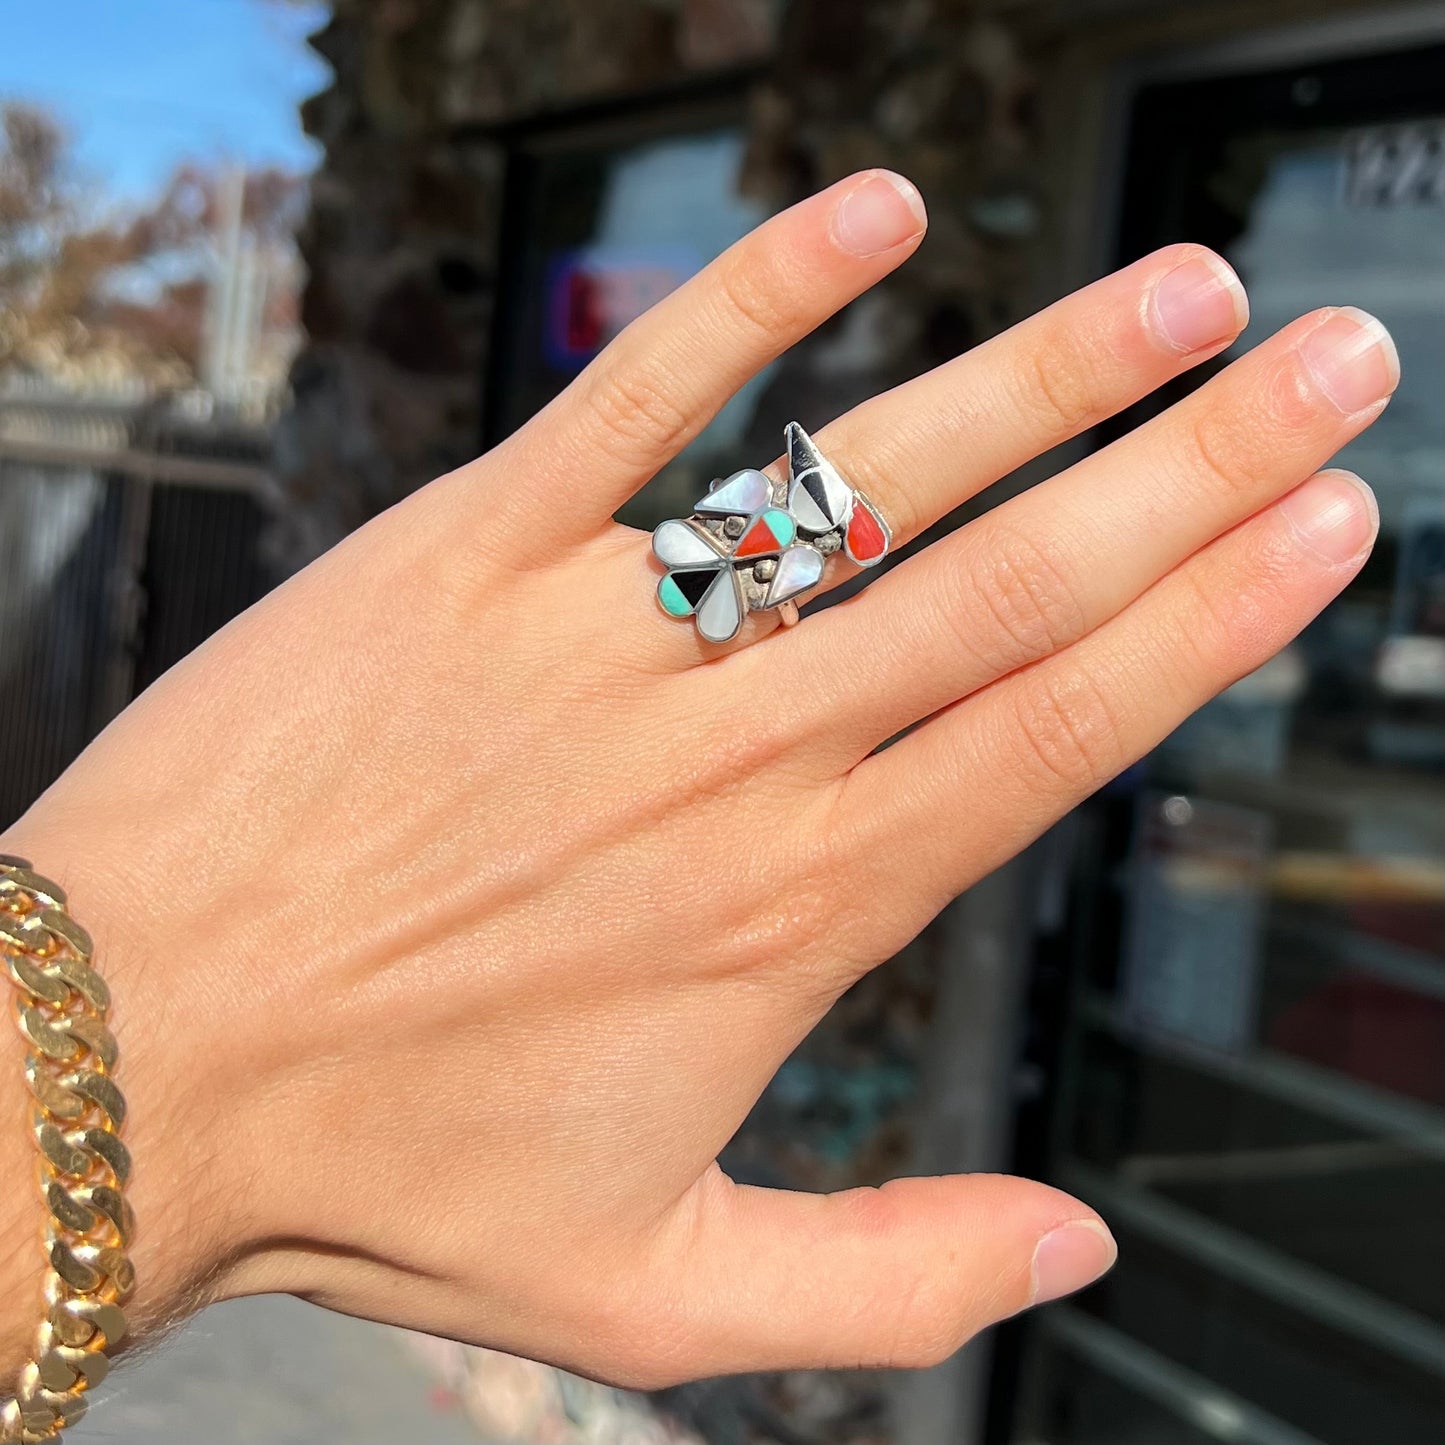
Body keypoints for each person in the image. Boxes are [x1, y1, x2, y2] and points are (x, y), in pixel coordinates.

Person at [1, 171, 1395, 1408]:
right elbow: (702, 579)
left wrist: (146, 1010)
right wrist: (163, 1034)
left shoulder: (721, 565)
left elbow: (704, 579)